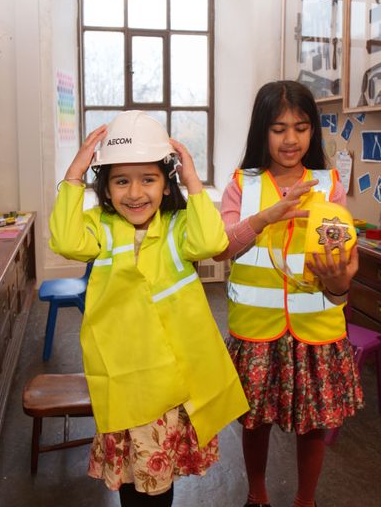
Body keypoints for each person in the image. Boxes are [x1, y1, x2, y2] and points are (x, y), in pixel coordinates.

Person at [49, 111, 249, 507]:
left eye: (149, 179)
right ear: (104, 186)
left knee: (158, 481)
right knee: (130, 477)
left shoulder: (178, 228)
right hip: (126, 381)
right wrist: (74, 175)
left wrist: (193, 180)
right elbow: (66, 240)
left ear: (165, 182)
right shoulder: (100, 228)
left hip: (170, 383)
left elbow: (211, 241)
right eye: (121, 180)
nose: (135, 193)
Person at [216, 81, 364, 507]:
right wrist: (267, 215)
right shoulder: (242, 186)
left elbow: (341, 270)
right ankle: (257, 495)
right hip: (257, 333)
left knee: (313, 424)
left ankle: (306, 500)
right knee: (255, 422)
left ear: (313, 132)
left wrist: (339, 283)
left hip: (315, 331)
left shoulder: (329, 185)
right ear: (262, 131)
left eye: (301, 128)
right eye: (279, 128)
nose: (291, 139)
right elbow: (223, 246)